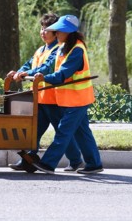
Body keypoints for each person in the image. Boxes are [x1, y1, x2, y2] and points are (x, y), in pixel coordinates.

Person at [16, 15, 103, 174]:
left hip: (78, 99)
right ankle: (94, 164)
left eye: (58, 32)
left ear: (68, 32)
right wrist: (28, 73)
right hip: (69, 100)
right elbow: (47, 66)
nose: (55, 34)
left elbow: (62, 74)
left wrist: (43, 78)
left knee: (63, 132)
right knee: (82, 133)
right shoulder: (63, 47)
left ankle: (49, 163)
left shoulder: (77, 49)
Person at [7, 13, 84, 172]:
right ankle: (27, 159)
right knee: (33, 131)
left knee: (61, 132)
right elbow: (29, 64)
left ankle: (76, 160)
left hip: (52, 99)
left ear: (56, 31)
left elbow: (45, 69)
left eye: (47, 29)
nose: (43, 32)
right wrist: (20, 72)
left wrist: (26, 74)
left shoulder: (59, 49)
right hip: (38, 98)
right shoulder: (40, 49)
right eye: (41, 28)